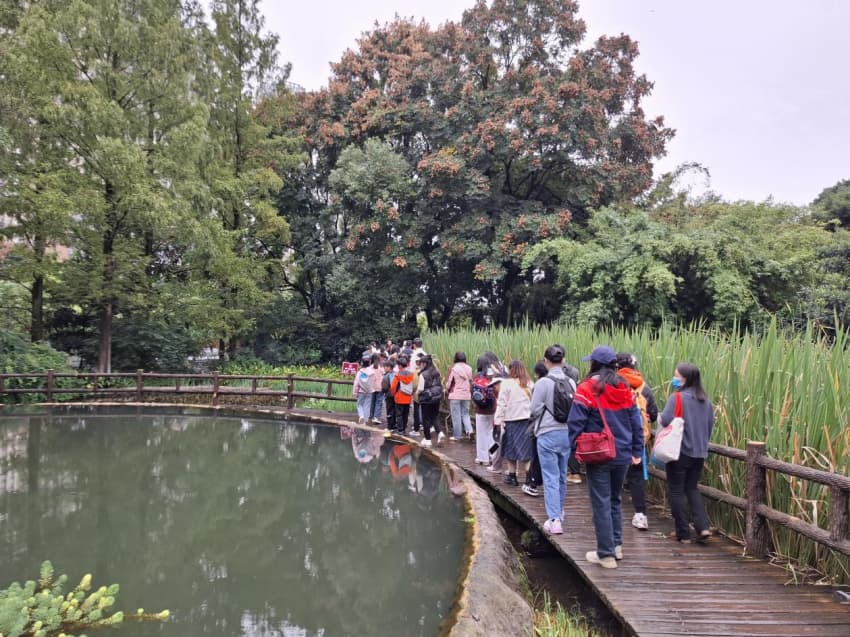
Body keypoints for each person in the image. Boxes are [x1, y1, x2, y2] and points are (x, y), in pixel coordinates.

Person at [568, 345, 643, 569]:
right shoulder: (625, 387)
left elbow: (575, 422)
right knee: (614, 499)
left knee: (601, 502)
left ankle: (606, 554)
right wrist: (637, 450)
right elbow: (636, 422)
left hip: (599, 453)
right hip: (623, 454)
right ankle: (616, 546)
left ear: (594, 364)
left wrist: (572, 449)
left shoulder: (586, 388)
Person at [660, 362, 714, 544]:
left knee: (676, 491)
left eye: (677, 376)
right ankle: (703, 526)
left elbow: (665, 420)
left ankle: (683, 533)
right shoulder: (706, 401)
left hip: (679, 451)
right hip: (699, 453)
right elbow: (709, 427)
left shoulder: (677, 398)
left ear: (685, 379)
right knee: (691, 488)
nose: (674, 379)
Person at [529, 344, 575, 535]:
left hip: (547, 433)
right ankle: (560, 511)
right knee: (562, 474)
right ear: (563, 360)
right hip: (566, 433)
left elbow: (533, 410)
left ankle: (554, 519)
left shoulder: (543, 383)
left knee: (550, 476)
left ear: (546, 362)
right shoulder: (571, 382)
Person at [615, 352, 659, 530]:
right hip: (638, 439)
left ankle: (611, 512)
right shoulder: (643, 387)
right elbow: (653, 414)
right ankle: (640, 515)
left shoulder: (614, 384)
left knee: (612, 474)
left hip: (617, 438)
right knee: (636, 477)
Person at [494, 360, 535, 487]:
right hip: (527, 421)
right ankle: (529, 478)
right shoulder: (530, 383)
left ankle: (512, 477)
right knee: (527, 451)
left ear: (511, 370)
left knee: (510, 450)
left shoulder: (506, 384)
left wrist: (497, 420)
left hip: (511, 421)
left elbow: (501, 404)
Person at [521, 361, 548, 497]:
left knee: (536, 456)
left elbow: (534, 409)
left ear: (537, 373)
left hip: (541, 426)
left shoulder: (539, 385)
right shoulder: (559, 382)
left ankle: (532, 484)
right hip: (559, 428)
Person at [473, 352, 501, 465]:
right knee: (490, 433)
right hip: (493, 408)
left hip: (481, 410)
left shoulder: (477, 377)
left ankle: (483, 458)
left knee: (481, 434)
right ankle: (493, 455)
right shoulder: (494, 375)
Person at [416, 355, 445, 448]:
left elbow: (420, 389)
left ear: (424, 363)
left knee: (426, 419)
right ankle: (440, 433)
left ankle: (427, 439)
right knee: (435, 416)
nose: (420, 365)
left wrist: (416, 393)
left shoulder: (423, 374)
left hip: (427, 399)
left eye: (420, 363)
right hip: (436, 398)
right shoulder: (436, 372)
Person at [446, 351, 474, 440]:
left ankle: (457, 436)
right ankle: (469, 431)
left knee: (456, 416)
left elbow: (449, 383)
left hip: (455, 395)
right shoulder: (469, 368)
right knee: (466, 414)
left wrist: (446, 388)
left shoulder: (454, 369)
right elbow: (470, 381)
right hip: (466, 395)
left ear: (455, 358)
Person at [390, 355, 414, 434]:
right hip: (408, 398)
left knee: (399, 414)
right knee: (405, 414)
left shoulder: (398, 375)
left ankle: (400, 430)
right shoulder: (411, 374)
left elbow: (393, 386)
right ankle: (404, 429)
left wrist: (393, 394)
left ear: (400, 365)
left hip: (399, 397)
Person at [353, 355, 377, 424]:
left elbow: (356, 383)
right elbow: (374, 380)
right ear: (369, 362)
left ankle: (361, 416)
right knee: (367, 406)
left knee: (359, 404)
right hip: (369, 391)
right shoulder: (372, 372)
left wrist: (355, 393)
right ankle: (365, 421)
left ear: (362, 363)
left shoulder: (360, 372)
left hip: (361, 391)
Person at [381, 359, 397, 432]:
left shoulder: (386, 376)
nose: (384, 368)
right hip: (396, 395)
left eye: (385, 367)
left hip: (389, 395)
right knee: (394, 410)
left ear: (389, 367)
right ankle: (394, 424)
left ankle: (390, 427)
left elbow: (384, 388)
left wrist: (383, 391)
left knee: (389, 410)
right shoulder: (396, 374)